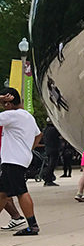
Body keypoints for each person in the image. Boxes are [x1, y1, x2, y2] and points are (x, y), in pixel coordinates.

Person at [0, 89, 42, 236]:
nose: (3, 106)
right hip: (20, 158)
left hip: (12, 159)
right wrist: (28, 149)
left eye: (5, 103)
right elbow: (38, 135)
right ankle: (32, 224)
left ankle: (33, 225)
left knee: (20, 191)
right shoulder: (28, 117)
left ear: (9, 102)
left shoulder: (11, 115)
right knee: (2, 193)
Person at [39, 120, 59, 186]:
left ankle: (47, 179)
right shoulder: (53, 130)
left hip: (48, 149)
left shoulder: (45, 129)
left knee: (50, 164)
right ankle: (48, 179)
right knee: (52, 165)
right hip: (54, 148)